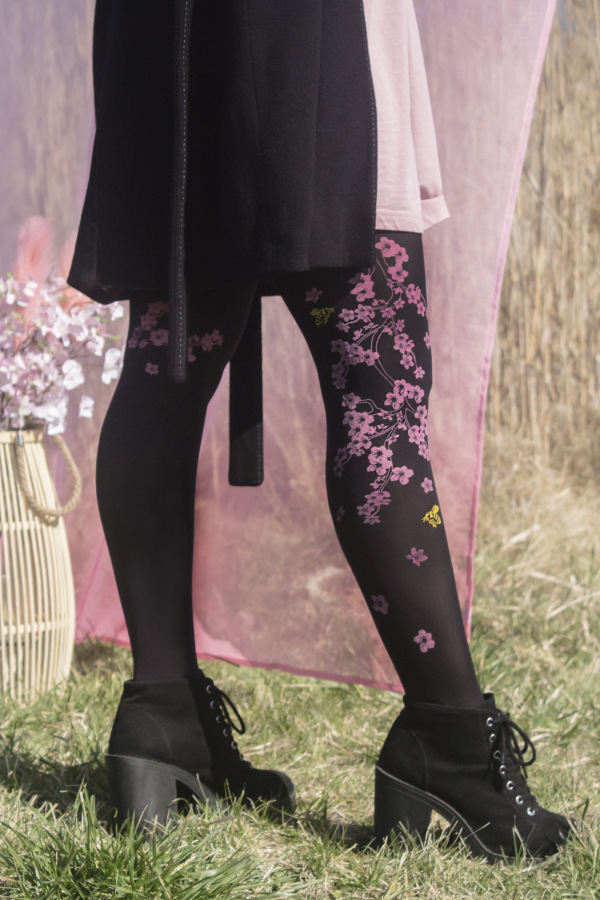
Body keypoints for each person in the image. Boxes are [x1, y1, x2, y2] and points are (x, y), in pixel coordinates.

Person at [68, 0, 570, 860]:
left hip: (174, 40)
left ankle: (163, 711)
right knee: (379, 394)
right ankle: (450, 741)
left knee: (163, 370)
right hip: (310, 37)